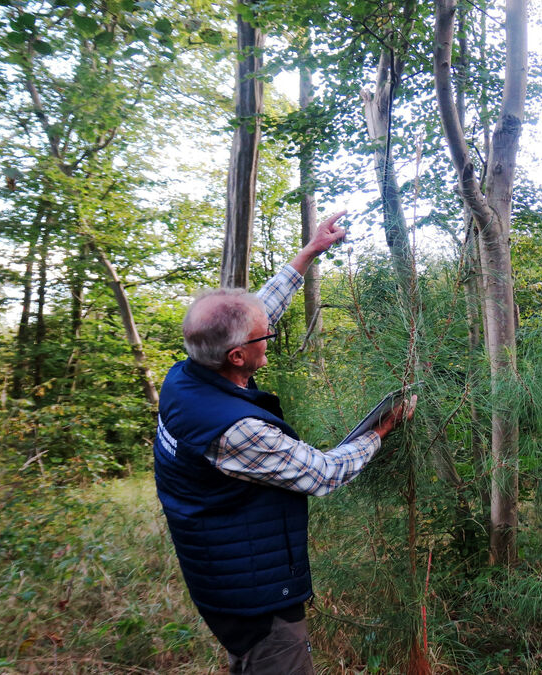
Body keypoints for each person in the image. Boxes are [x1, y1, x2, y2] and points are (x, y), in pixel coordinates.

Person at [153, 211, 415, 674]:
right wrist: (382, 430)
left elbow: (256, 313)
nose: (269, 338)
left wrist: (310, 252)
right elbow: (324, 473)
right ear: (238, 355)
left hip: (223, 573)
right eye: (265, 337)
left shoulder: (188, 374)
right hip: (254, 598)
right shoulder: (237, 430)